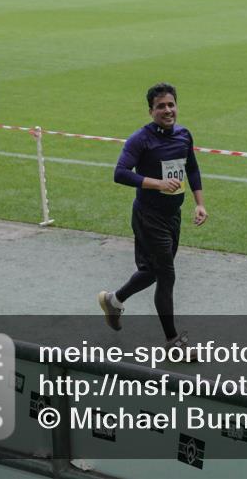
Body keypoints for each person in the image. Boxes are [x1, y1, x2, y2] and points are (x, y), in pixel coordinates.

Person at [99, 83, 208, 354]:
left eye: (171, 104)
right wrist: (156, 184)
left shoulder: (184, 135)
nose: (167, 110)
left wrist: (199, 204)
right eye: (161, 106)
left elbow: (191, 169)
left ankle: (114, 300)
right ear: (151, 111)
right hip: (148, 216)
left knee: (151, 272)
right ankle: (173, 342)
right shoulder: (140, 139)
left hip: (173, 215)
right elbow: (120, 173)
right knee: (166, 276)